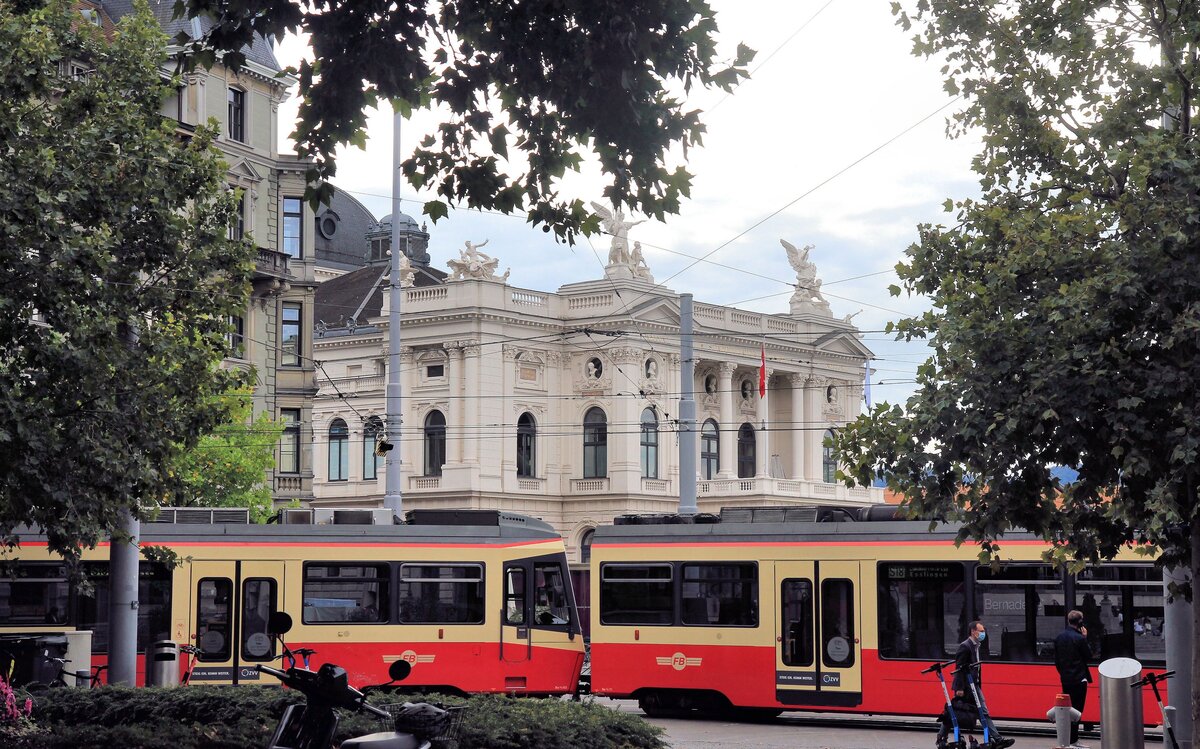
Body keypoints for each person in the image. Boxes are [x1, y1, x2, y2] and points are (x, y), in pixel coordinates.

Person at [951, 620, 1015, 749]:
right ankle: (941, 736)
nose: (983, 633)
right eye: (981, 631)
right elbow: (959, 668)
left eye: (983, 631)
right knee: (956, 711)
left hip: (974, 684)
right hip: (966, 686)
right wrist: (960, 688)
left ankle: (997, 739)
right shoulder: (965, 646)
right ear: (973, 631)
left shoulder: (976, 645)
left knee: (981, 711)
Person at [1054, 609, 1093, 749]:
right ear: (1080, 622)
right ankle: (1073, 740)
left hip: (1066, 679)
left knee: (1067, 709)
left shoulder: (1059, 637)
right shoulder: (1080, 638)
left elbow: (1057, 661)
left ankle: (1069, 740)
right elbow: (1089, 656)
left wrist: (1064, 674)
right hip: (1079, 679)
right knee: (1077, 711)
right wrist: (1085, 637)